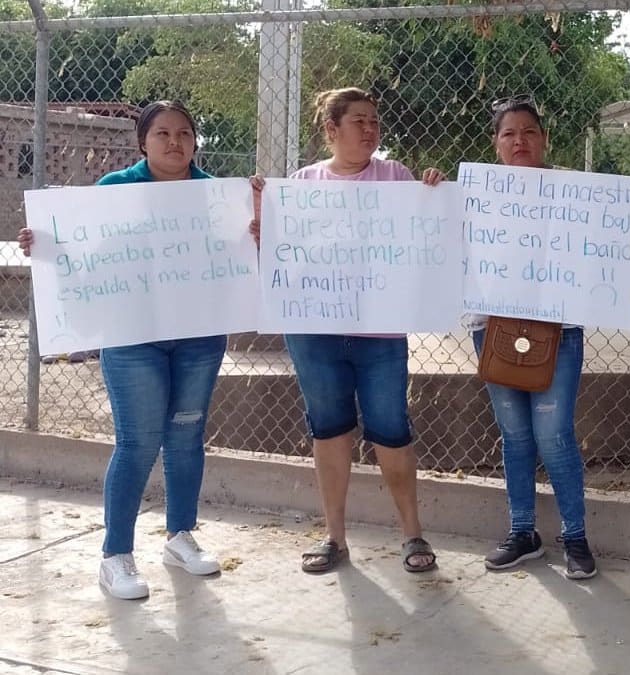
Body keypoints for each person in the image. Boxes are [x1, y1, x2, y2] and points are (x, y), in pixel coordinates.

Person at [19, 101, 226, 600]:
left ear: (195, 141)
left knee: (185, 436)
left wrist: (257, 230)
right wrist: (42, 243)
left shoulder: (218, 194)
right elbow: (82, 247)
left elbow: (238, 252)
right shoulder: (115, 190)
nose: (175, 142)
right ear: (143, 142)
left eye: (185, 133)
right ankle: (116, 556)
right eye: (163, 134)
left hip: (199, 336)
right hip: (133, 337)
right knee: (137, 443)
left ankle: (180, 536)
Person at [250, 87, 443, 574]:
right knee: (330, 429)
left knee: (391, 430)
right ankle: (334, 537)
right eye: (359, 121)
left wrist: (434, 193)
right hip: (315, 332)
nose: (371, 129)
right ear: (331, 129)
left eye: (375, 121)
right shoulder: (301, 183)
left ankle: (412, 534)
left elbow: (423, 228)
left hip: (379, 334)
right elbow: (283, 251)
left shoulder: (395, 177)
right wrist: (263, 228)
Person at [470, 95, 596, 580]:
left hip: (557, 330)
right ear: (496, 143)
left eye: (529, 131)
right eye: (509, 133)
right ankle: (523, 531)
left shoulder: (574, 191)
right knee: (516, 435)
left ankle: (575, 535)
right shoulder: (474, 193)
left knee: (553, 434)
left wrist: (629, 243)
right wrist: (434, 193)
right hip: (495, 328)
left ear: (543, 139)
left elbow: (601, 244)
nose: (519, 140)